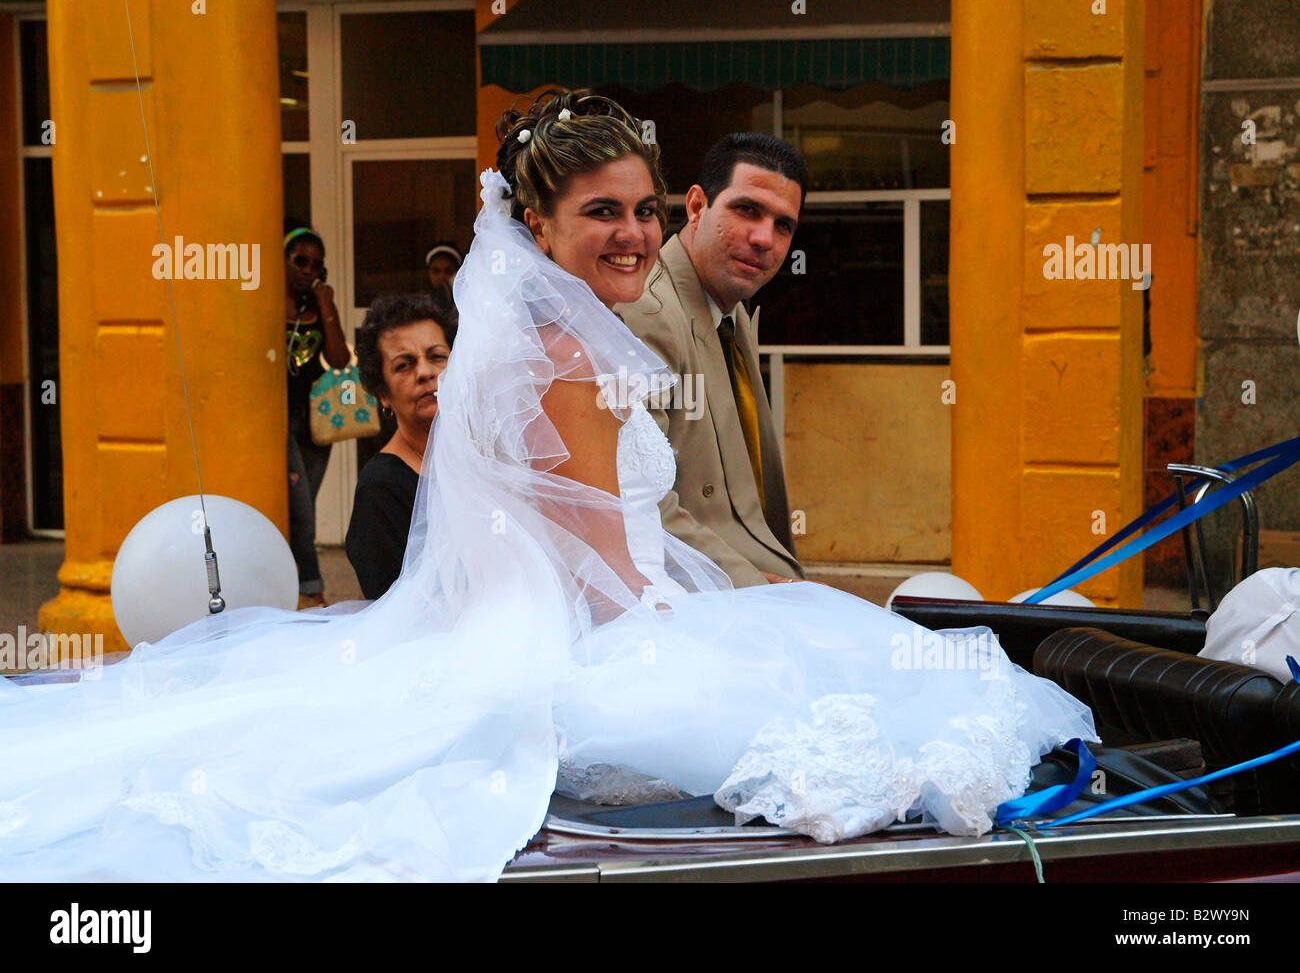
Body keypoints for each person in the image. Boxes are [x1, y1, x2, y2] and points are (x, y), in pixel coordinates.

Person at [0, 90, 1096, 883]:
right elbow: (611, 582)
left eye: (641, 211)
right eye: (602, 214)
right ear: (538, 227)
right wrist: (715, 630)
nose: (632, 235)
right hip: (573, 639)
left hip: (522, 620)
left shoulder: (539, 336)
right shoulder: (573, 361)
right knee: (866, 705)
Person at [618, 134, 806, 588]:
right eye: (747, 210)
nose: (764, 238)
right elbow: (639, 508)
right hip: (704, 605)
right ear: (697, 206)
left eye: (784, 225)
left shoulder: (731, 311)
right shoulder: (648, 312)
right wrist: (764, 593)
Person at [346, 294, 456, 600]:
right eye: (404, 365)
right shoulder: (380, 491)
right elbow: (394, 611)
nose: (425, 373)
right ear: (383, 393)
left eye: (436, 356)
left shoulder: (485, 455)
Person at [283, 226, 351, 606]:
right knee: (303, 513)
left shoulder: (317, 305)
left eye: (316, 264)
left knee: (302, 507)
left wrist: (326, 306)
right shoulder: (267, 300)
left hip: (314, 422)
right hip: (279, 423)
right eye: (300, 261)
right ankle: (312, 590)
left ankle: (294, 584)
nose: (309, 270)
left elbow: (340, 360)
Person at [425, 243, 462, 315]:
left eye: (448, 271)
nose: (441, 277)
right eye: (436, 271)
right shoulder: (420, 305)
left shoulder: (466, 304)